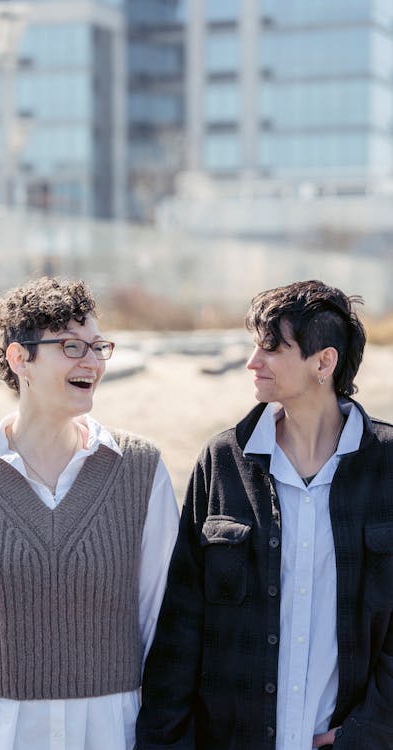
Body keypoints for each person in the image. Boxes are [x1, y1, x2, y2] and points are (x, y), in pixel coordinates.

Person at [0, 276, 179, 750]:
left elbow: (162, 625)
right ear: (19, 358)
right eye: (71, 346)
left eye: (97, 347)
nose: (92, 361)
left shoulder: (142, 470)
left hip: (109, 734)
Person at [136, 279, 393, 750]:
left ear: (324, 362)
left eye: (272, 349)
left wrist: (367, 734)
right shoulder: (222, 462)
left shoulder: (387, 464)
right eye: (255, 347)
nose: (253, 362)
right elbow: (182, 624)